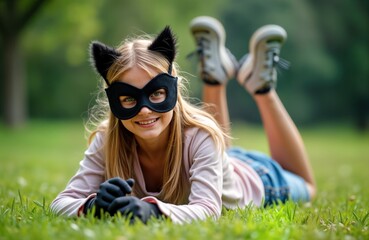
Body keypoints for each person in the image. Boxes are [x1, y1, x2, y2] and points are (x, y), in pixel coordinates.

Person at [51, 16, 316, 224]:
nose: (144, 110)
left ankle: (262, 88)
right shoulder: (107, 139)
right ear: (113, 100)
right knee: (209, 139)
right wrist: (93, 205)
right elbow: (61, 202)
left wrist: (152, 210)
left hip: (259, 179)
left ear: (172, 89)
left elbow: (208, 210)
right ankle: (215, 73)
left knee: (308, 188)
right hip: (216, 162)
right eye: (129, 98)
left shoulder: (201, 135)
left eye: (156, 93)